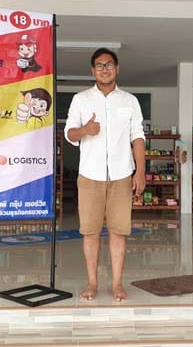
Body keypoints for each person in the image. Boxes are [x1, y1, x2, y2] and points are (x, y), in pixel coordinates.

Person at [64, 48, 145, 302]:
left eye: (109, 64)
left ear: (117, 69)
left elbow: (138, 136)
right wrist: (85, 130)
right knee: (90, 233)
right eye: (99, 65)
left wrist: (140, 171)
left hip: (122, 175)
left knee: (118, 232)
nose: (104, 69)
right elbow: (69, 133)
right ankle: (92, 283)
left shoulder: (129, 101)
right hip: (90, 176)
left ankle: (117, 284)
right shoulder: (81, 99)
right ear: (93, 71)